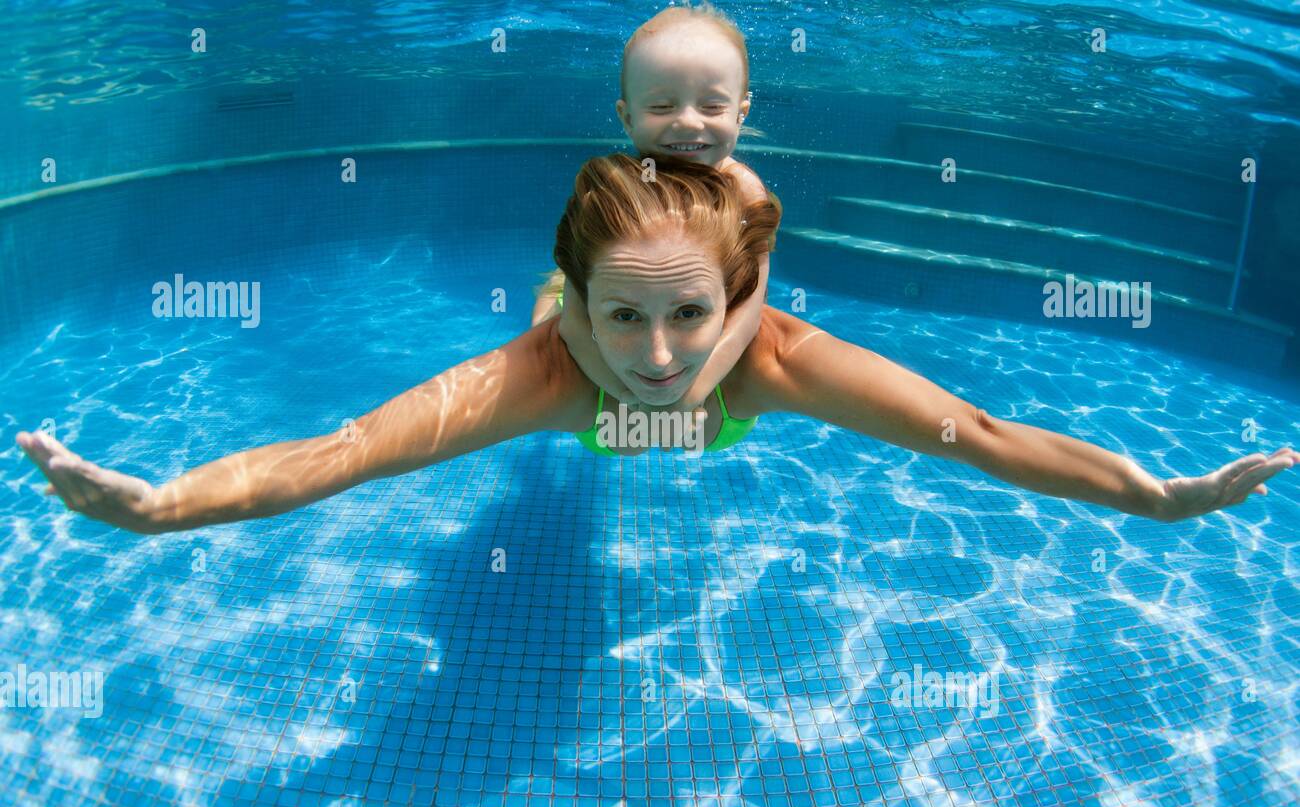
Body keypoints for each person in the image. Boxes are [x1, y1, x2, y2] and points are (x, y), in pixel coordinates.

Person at [15, 153, 1297, 534]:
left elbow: (989, 437)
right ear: (580, 307)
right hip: (555, 360)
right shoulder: (550, 370)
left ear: (741, 301)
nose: (663, 353)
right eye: (621, 311)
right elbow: (338, 453)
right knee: (561, 371)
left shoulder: (780, 359)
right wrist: (163, 503)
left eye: (693, 312)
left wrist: (1157, 496)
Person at [532, 0, 775, 415]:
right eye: (662, 107)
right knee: (544, 336)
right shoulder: (618, 187)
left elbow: (747, 318)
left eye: (712, 106)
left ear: (740, 113)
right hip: (613, 292)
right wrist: (620, 392)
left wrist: (693, 393)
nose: (688, 122)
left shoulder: (746, 193)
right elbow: (575, 321)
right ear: (627, 119)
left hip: (677, 308)